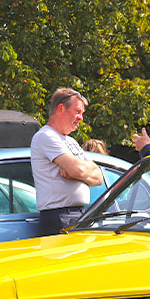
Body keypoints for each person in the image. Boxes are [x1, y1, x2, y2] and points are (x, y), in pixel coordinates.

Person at [31, 88, 103, 236]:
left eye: (82, 113)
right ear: (61, 108)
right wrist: (83, 171)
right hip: (59, 217)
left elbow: (99, 178)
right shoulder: (46, 136)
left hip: (77, 215)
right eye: (77, 111)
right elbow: (80, 170)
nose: (81, 118)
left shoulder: (71, 141)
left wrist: (77, 174)